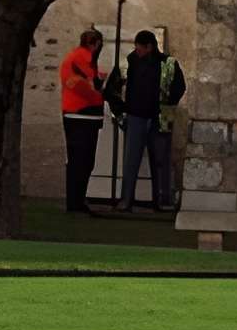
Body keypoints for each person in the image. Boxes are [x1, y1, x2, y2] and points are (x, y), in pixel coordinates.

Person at [117, 28, 181, 213]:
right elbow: (115, 88)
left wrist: (167, 105)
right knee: (132, 162)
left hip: (157, 117)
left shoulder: (168, 63)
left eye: (140, 48)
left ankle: (159, 200)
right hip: (137, 116)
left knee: (159, 162)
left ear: (149, 47)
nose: (137, 51)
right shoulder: (129, 62)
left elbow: (179, 87)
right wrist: (122, 111)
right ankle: (127, 200)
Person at [58, 26, 108, 214]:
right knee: (82, 161)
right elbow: (85, 86)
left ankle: (77, 200)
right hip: (81, 114)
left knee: (80, 161)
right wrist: (101, 94)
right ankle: (75, 202)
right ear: (95, 44)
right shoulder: (82, 59)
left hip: (78, 114)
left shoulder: (76, 58)